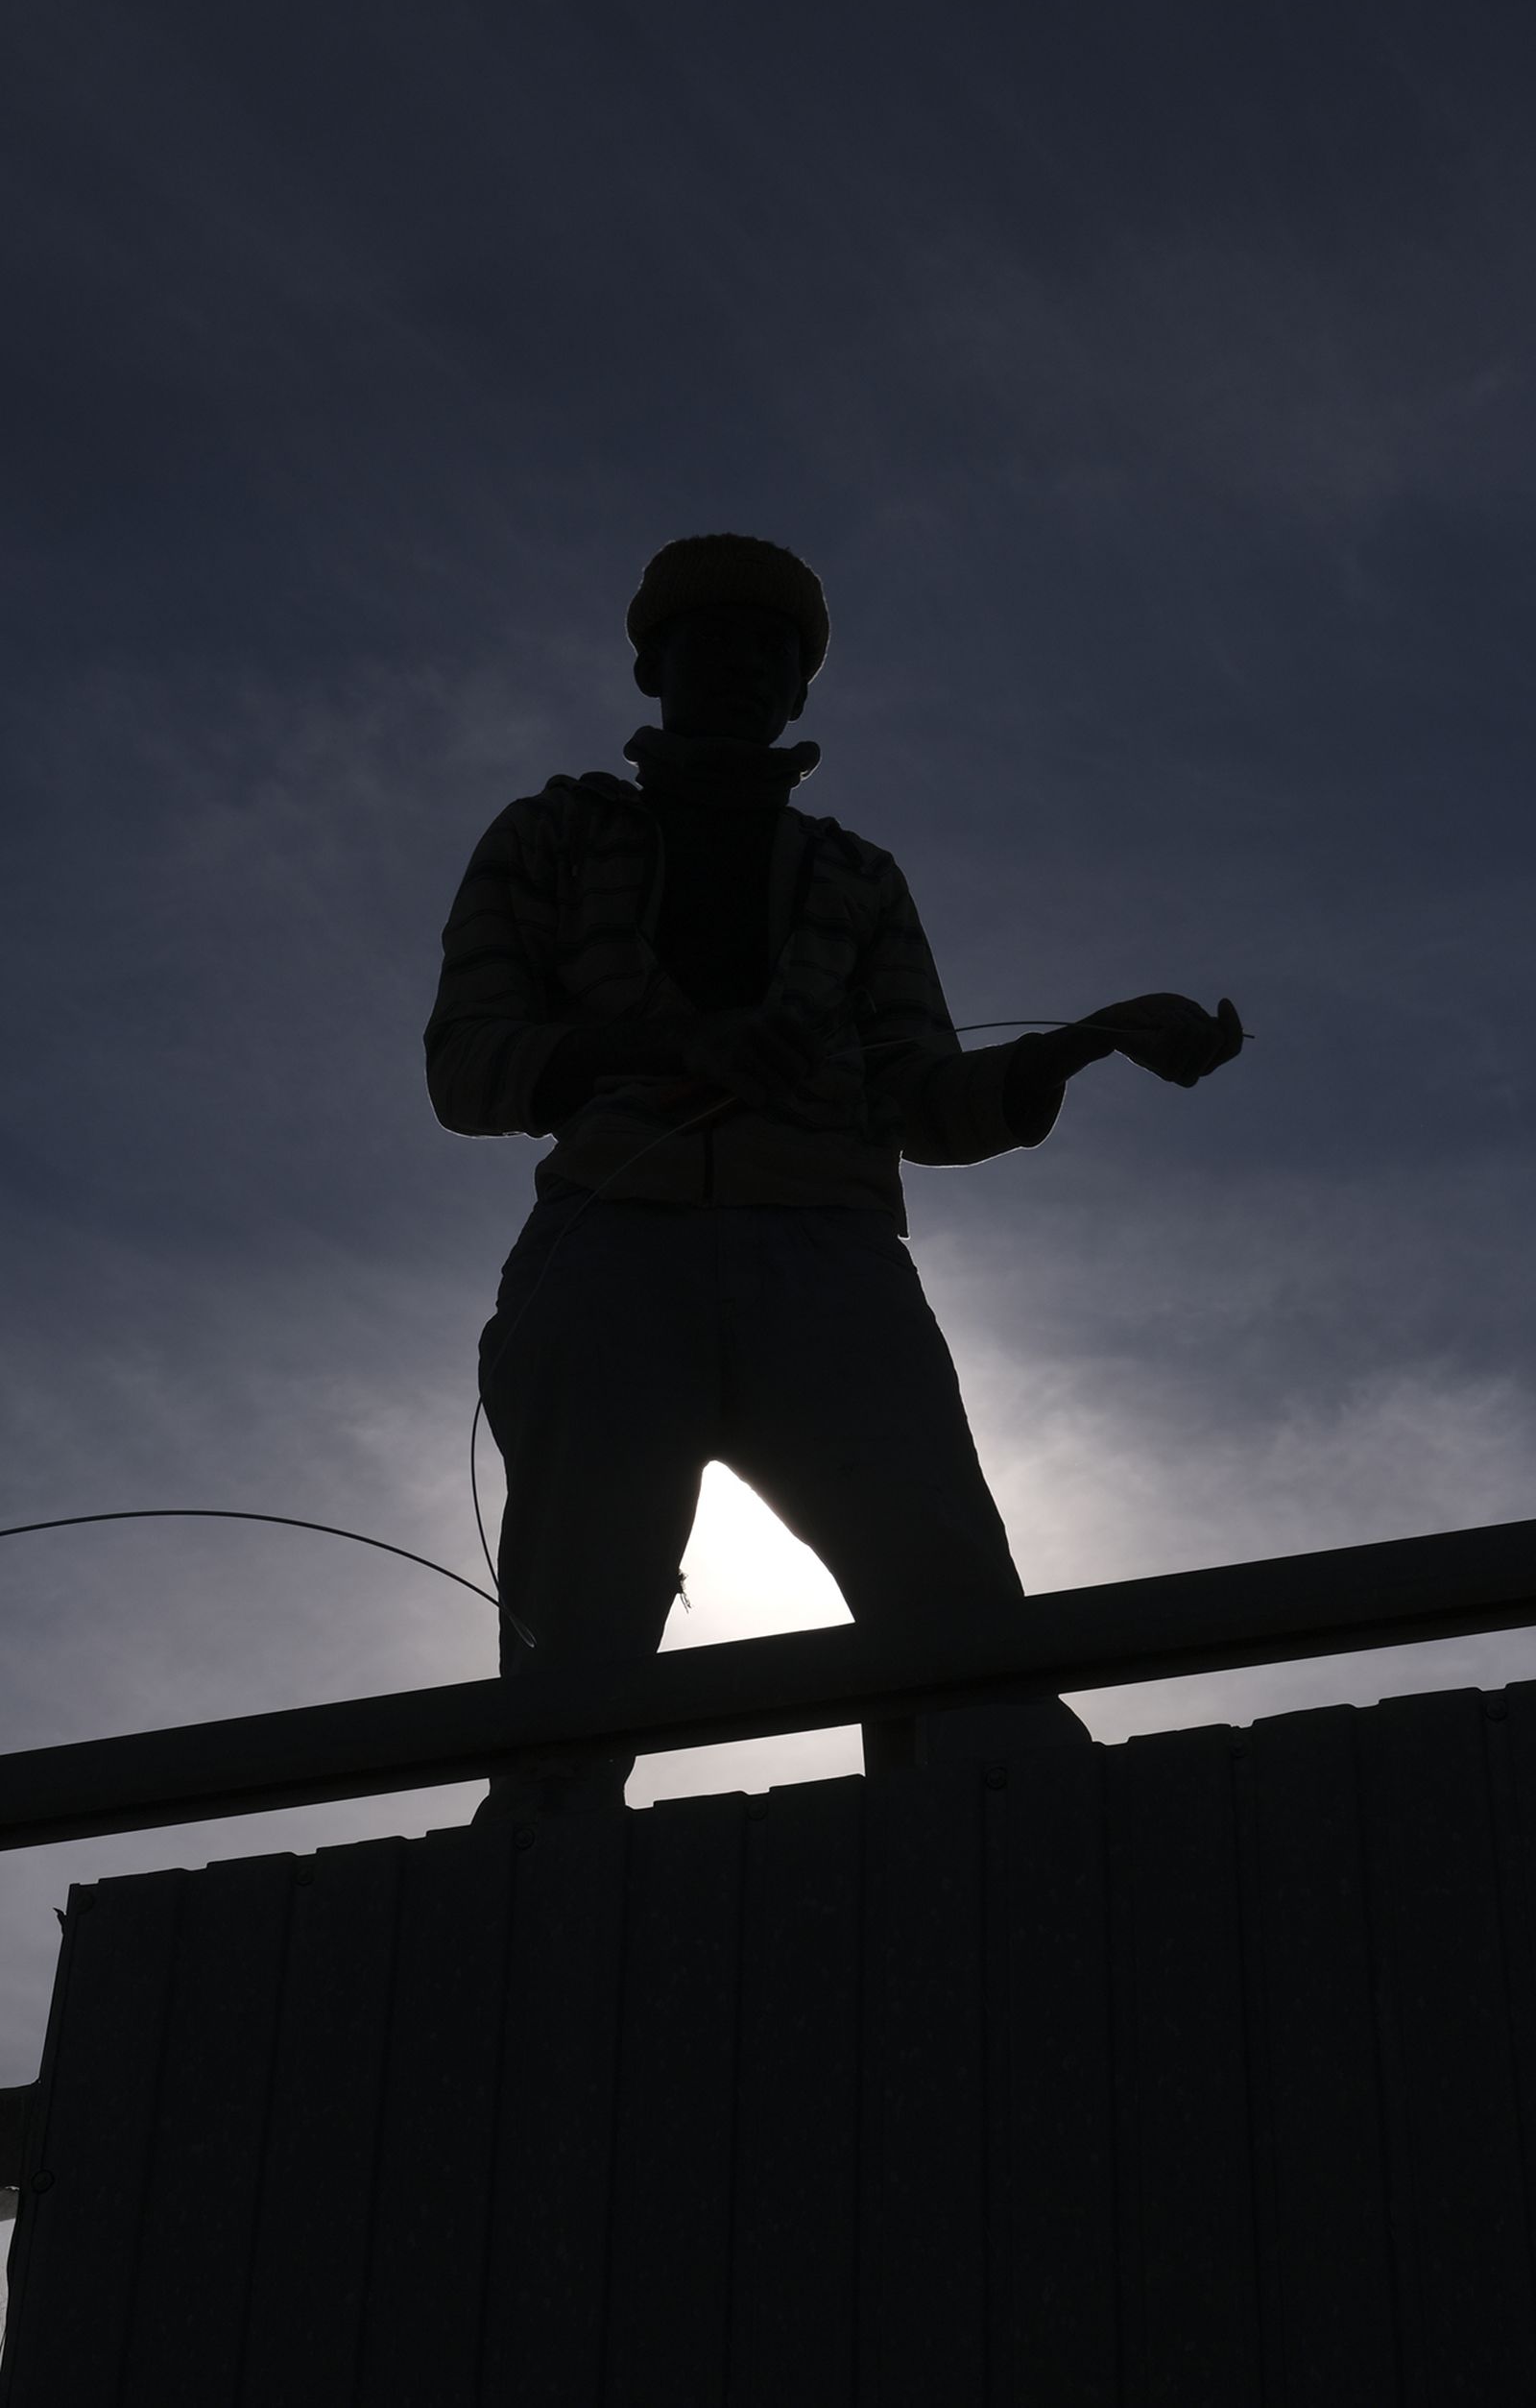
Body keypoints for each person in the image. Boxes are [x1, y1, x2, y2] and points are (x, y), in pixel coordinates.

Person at [424, 534, 1242, 1818]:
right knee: (571, 1659)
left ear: (802, 687)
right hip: (607, 1253)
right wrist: (669, 1049)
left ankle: (999, 1873)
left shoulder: (858, 877)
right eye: (715, 639)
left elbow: (925, 1098)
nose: (748, 667)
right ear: (651, 665)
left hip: (832, 1261)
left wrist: (1078, 1045)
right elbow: (468, 1067)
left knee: (959, 1624)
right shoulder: (550, 836)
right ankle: (535, 1892)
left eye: (777, 650)